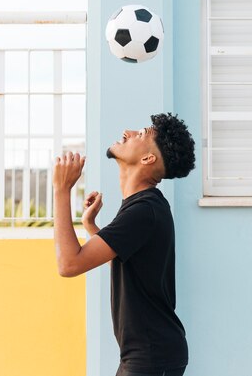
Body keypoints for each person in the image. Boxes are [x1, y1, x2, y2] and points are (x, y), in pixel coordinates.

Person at [52, 112, 196, 376]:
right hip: (152, 354)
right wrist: (92, 227)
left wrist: (61, 190)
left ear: (147, 159)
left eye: (140, 134)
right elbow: (130, 263)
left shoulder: (143, 210)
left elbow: (68, 264)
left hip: (150, 357)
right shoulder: (146, 206)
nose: (128, 132)